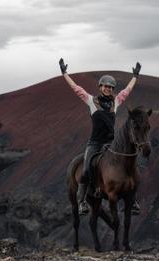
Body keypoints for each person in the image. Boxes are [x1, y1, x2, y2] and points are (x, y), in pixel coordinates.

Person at [59, 58, 141, 215]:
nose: (108, 89)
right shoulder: (91, 101)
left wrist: (135, 76)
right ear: (100, 87)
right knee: (87, 168)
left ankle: (133, 199)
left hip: (112, 143)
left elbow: (126, 91)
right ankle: (82, 201)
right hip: (95, 143)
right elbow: (76, 88)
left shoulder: (115, 102)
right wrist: (64, 73)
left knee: (131, 166)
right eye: (105, 86)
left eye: (110, 87)